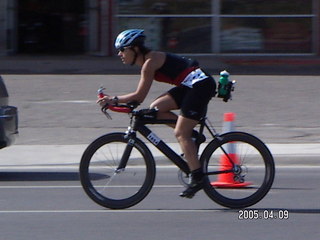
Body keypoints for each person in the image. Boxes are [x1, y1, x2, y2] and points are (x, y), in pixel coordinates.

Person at [97, 29, 216, 198]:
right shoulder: (147, 61)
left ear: (135, 49)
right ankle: (193, 137)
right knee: (157, 108)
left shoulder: (149, 63)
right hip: (190, 85)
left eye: (122, 50)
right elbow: (139, 100)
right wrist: (120, 102)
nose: (119, 54)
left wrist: (113, 99)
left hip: (200, 85)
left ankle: (197, 178)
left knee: (181, 133)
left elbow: (139, 96)